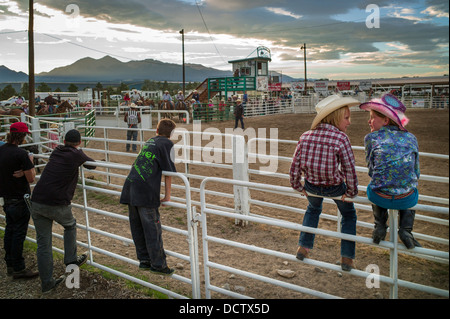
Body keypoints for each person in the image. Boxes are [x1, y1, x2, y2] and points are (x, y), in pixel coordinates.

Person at [289, 95, 360, 271]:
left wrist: (298, 186)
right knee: (349, 215)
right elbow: (349, 169)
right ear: (335, 117)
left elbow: (295, 165)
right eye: (346, 118)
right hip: (335, 187)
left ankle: (304, 247)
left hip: (312, 185)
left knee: (313, 210)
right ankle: (347, 257)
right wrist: (350, 192)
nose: (349, 122)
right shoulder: (341, 138)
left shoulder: (305, 136)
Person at [30, 129, 96, 293]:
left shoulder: (57, 151)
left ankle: (47, 283)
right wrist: (81, 153)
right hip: (57, 202)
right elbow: (92, 165)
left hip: (37, 200)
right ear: (79, 143)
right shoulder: (76, 154)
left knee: (43, 245)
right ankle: (71, 260)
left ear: (64, 140)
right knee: (70, 225)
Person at [359, 94, 421, 249]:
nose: (369, 121)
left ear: (385, 120)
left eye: (372, 117)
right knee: (411, 187)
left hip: (380, 197)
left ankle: (380, 225)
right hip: (405, 198)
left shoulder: (371, 138)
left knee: (374, 185)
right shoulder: (412, 138)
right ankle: (406, 229)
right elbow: (416, 171)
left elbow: (371, 169)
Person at [119, 119, 177, 276]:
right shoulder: (167, 144)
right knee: (152, 228)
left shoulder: (150, 141)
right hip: (145, 190)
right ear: (171, 134)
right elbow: (169, 172)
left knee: (137, 226)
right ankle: (158, 265)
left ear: (156, 131)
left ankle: (144, 260)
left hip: (131, 186)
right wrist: (167, 196)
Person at [0, 122, 39, 279]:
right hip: (19, 198)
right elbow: (31, 178)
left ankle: (9, 263)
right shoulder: (21, 154)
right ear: (22, 136)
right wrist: (28, 166)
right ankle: (18, 268)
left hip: (6, 197)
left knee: (10, 230)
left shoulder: (1, 150)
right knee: (18, 233)